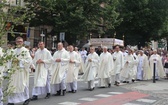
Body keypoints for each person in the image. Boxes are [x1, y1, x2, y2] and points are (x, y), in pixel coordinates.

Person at [7, 37, 32, 105]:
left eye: (20, 41)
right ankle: (11, 101)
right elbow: (9, 60)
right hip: (14, 71)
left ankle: (26, 98)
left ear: (23, 42)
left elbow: (29, 61)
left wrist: (20, 61)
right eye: (18, 41)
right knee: (12, 85)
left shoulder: (25, 51)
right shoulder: (14, 51)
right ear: (16, 42)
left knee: (23, 85)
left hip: (21, 71)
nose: (19, 43)